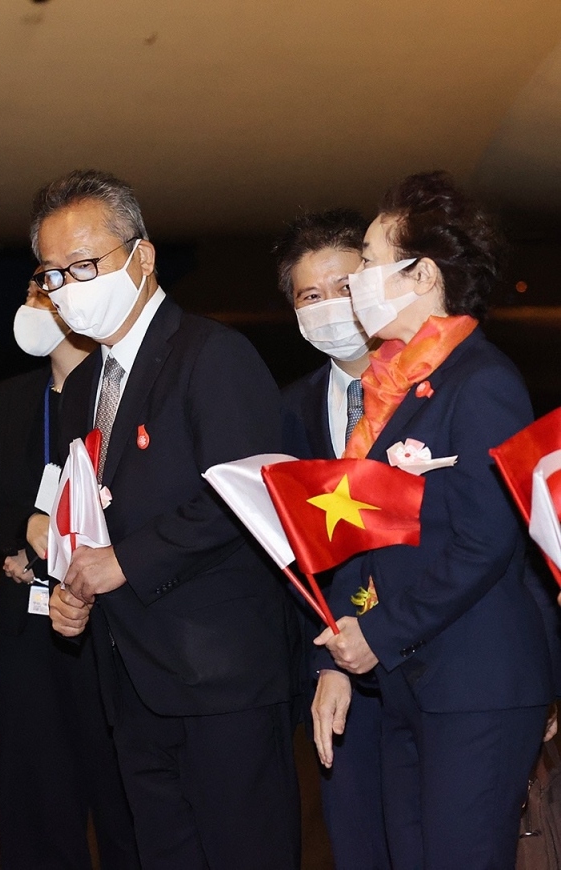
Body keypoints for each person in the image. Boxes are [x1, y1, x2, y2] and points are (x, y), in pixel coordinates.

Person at [42, 170, 301, 869]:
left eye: (85, 266)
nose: (68, 287)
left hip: (219, 676)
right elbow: (87, 517)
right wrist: (72, 593)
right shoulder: (85, 387)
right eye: (53, 275)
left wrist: (124, 563)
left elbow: (243, 493)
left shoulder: (211, 356)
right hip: (131, 679)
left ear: (143, 257)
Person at [314, 171, 553, 869]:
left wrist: (379, 633)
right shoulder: (396, 382)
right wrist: (341, 647)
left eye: (365, 262)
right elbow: (370, 536)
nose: (356, 280)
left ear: (421, 275)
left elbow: (488, 540)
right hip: (410, 681)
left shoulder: (481, 382)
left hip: (476, 684)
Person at [0, 286, 139, 869]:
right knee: (38, 803)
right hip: (29, 627)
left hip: (108, 624)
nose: (39, 303)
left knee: (124, 799)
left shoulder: (122, 390)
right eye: (32, 292)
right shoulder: (15, 397)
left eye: (55, 291)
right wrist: (21, 534)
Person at [273, 209, 391, 870]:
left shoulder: (434, 388)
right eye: (309, 296)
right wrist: (323, 659)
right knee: (358, 845)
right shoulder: (285, 409)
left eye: (344, 288)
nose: (327, 308)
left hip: (428, 660)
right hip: (335, 669)